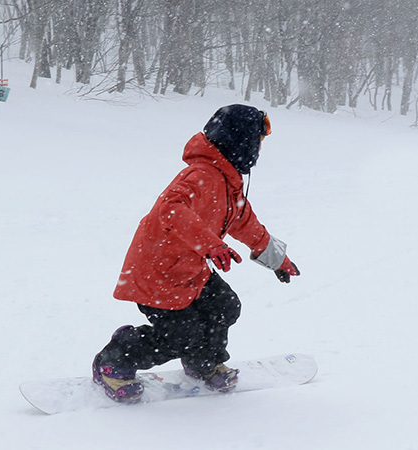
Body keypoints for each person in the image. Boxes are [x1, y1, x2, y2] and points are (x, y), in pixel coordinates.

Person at [92, 104, 300, 403]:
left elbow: (246, 223)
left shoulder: (229, 183)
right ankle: (114, 361)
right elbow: (170, 209)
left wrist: (278, 259)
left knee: (225, 306)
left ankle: (202, 364)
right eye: (258, 140)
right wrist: (210, 244)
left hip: (188, 269)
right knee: (180, 334)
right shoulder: (201, 175)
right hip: (158, 272)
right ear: (241, 141)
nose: (259, 148)